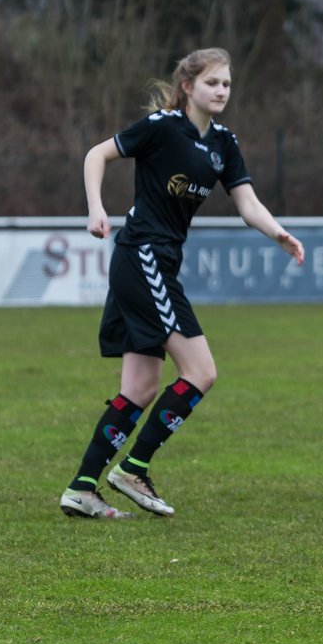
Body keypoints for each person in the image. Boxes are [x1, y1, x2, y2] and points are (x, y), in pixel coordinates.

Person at [60, 47, 305, 519]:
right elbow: (97, 154)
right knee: (201, 371)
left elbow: (247, 203)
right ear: (189, 86)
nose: (222, 91)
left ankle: (82, 487)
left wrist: (279, 233)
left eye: (228, 84)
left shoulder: (224, 144)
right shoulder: (161, 128)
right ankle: (132, 468)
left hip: (159, 262)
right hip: (142, 255)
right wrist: (95, 208)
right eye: (213, 82)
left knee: (140, 387)